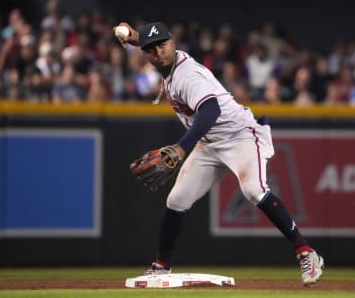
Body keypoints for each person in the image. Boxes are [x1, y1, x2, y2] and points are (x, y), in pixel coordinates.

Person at [115, 21, 324, 285]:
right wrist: (135, 37)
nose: (159, 52)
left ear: (174, 43)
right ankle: (161, 266)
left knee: (254, 191)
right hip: (209, 142)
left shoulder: (186, 75)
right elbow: (150, 46)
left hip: (240, 136)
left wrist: (181, 148)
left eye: (163, 44)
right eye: (151, 48)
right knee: (177, 200)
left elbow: (211, 110)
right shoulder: (165, 62)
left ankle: (306, 252)